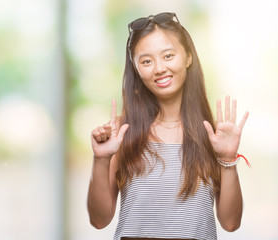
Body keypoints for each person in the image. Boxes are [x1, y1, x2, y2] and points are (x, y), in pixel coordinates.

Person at [87, 12, 250, 240]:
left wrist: (228, 159)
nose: (159, 68)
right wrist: (101, 159)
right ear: (135, 68)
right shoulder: (123, 135)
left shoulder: (212, 137)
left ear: (188, 57)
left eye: (168, 56)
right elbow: (99, 219)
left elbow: (231, 223)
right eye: (146, 61)